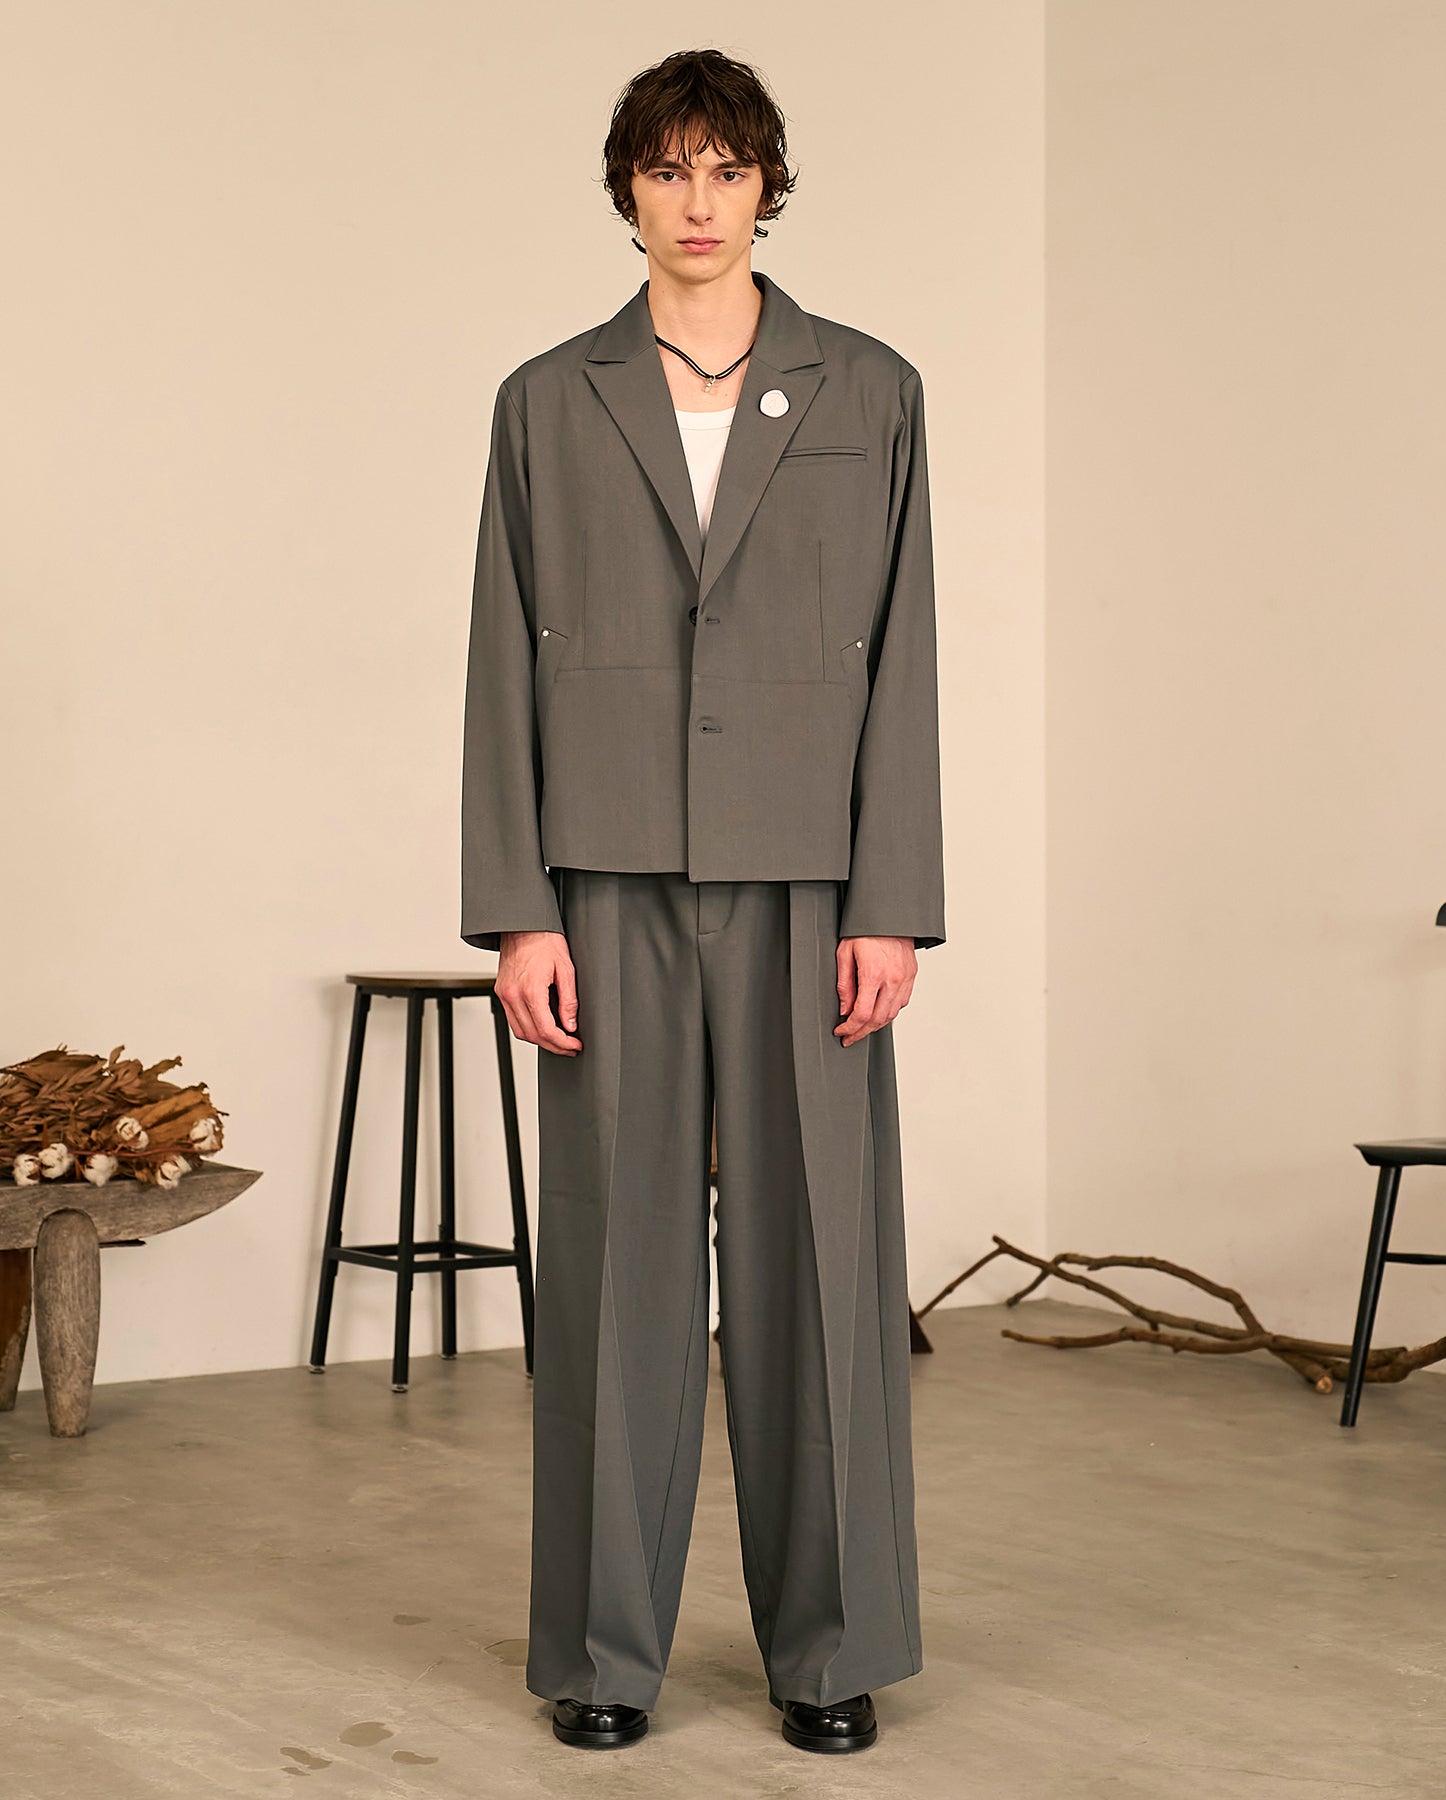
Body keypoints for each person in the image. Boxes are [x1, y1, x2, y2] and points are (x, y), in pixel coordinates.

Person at [461, 47, 944, 1755]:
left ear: (765, 186)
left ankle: (833, 1652)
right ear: (628, 190)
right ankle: (602, 1659)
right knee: (615, 1272)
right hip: (607, 877)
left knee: (824, 1267)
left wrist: (890, 902)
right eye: (666, 170)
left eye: (725, 169)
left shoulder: (870, 389)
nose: (696, 201)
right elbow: (499, 661)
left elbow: (905, 663)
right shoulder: (548, 398)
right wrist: (519, 907)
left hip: (811, 881)